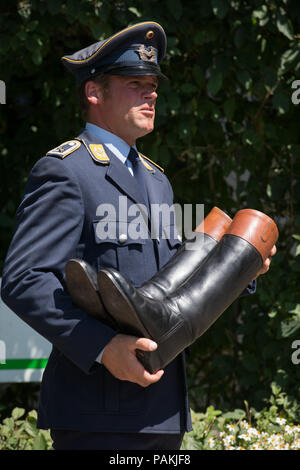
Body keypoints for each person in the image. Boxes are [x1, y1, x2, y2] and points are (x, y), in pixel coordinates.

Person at [0, 21, 276, 450]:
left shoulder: (155, 179)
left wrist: (241, 268)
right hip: (97, 412)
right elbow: (24, 279)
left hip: (161, 412)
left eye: (153, 85)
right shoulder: (66, 171)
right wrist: (103, 346)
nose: (151, 93)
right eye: (135, 83)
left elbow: (172, 285)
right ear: (94, 92)